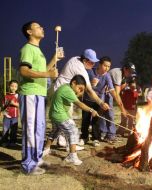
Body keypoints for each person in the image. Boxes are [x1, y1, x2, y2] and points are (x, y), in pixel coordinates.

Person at [19, 21, 59, 175]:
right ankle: (28, 165)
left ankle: (36, 158)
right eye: (38, 27)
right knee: (30, 129)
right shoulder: (27, 48)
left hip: (40, 94)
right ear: (29, 32)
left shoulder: (38, 50)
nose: (42, 28)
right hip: (30, 93)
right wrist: (48, 74)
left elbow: (42, 70)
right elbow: (24, 71)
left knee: (39, 128)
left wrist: (54, 60)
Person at [54, 49, 110, 146]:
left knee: (61, 119)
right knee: (66, 120)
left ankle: (59, 141)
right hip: (63, 92)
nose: (93, 65)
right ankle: (67, 144)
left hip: (62, 91)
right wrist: (101, 103)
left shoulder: (75, 58)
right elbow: (89, 90)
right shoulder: (81, 69)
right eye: (91, 62)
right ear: (85, 61)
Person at [43, 75, 98, 165]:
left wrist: (78, 93)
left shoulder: (66, 87)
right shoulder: (67, 91)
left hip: (54, 114)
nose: (80, 91)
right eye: (80, 88)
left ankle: (46, 149)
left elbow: (76, 97)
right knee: (73, 131)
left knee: (55, 131)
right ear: (74, 83)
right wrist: (91, 110)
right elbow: (79, 104)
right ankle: (72, 156)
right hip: (59, 115)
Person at [81, 56, 126, 146]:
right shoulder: (90, 72)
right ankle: (84, 137)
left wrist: (118, 101)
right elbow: (82, 84)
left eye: (109, 66)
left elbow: (112, 90)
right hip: (87, 98)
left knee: (96, 119)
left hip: (98, 100)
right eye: (105, 66)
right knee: (85, 119)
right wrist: (90, 83)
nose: (107, 68)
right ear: (100, 64)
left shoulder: (107, 76)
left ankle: (95, 138)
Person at [109, 62, 136, 136]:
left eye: (132, 72)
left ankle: (109, 133)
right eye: (129, 71)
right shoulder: (118, 73)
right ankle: (109, 133)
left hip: (109, 93)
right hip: (104, 92)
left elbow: (119, 90)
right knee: (109, 113)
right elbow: (117, 94)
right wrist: (122, 109)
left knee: (108, 112)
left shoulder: (124, 77)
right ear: (124, 69)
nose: (130, 73)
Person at [0, 80, 19, 146]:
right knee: (5, 129)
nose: (13, 88)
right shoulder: (5, 96)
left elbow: (20, 105)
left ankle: (12, 142)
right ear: (9, 86)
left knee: (14, 130)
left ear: (17, 87)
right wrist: (3, 107)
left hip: (15, 116)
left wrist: (13, 103)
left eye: (15, 86)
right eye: (12, 86)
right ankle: (4, 141)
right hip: (6, 115)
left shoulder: (17, 96)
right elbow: (3, 105)